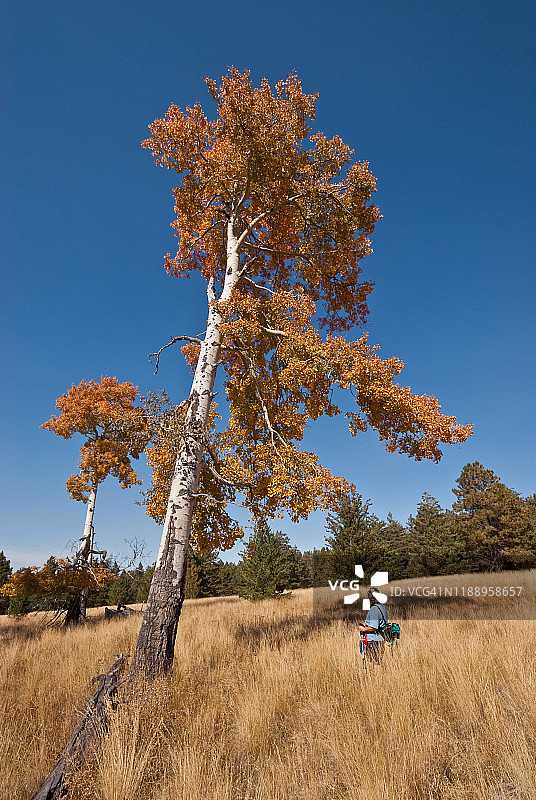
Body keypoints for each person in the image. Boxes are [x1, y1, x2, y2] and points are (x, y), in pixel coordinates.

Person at [358, 586, 388, 664]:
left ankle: (378, 676)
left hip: (374, 640)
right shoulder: (382, 607)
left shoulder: (374, 609)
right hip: (380, 638)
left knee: (375, 663)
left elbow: (373, 627)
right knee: (378, 661)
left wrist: (363, 629)